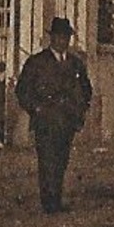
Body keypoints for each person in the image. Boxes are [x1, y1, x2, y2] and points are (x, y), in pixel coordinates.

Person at [14, 17, 93, 214]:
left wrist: (79, 110)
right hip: (45, 121)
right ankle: (48, 203)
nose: (62, 41)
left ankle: (56, 198)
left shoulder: (76, 64)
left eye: (65, 37)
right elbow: (22, 90)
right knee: (47, 160)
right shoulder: (37, 62)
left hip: (67, 121)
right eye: (58, 37)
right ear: (51, 38)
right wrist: (36, 109)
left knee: (61, 160)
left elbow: (86, 90)